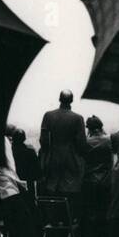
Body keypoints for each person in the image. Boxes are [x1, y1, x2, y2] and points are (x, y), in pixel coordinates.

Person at [39, 89, 89, 218]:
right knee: (70, 194)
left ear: (59, 99)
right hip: (71, 160)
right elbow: (81, 143)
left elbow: (43, 141)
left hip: (53, 159)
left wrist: (47, 155)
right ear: (71, 100)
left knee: (53, 192)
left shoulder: (48, 115)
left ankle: (55, 221)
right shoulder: (78, 118)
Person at [81, 115, 113, 237]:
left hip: (90, 180)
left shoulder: (86, 142)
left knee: (91, 211)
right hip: (106, 180)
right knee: (105, 210)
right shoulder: (108, 141)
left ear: (89, 129)